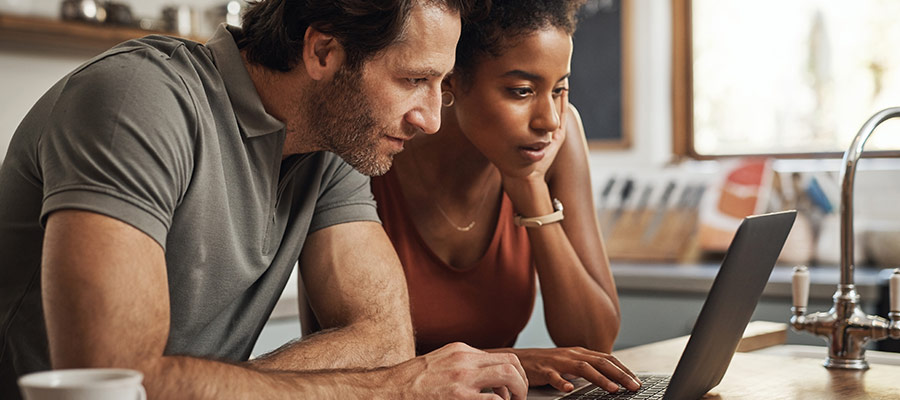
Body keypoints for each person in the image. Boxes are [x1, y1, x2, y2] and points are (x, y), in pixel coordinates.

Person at [0, 0, 530, 398]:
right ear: (322, 52)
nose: (431, 119)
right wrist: (390, 388)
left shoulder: (332, 145)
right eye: (414, 79)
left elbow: (385, 341)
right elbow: (113, 383)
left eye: (442, 84)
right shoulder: (138, 99)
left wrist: (198, 387)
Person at [369, 0, 641, 394]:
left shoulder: (558, 140)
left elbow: (594, 341)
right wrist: (513, 361)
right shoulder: (373, 152)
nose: (549, 120)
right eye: (521, 91)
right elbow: (351, 365)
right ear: (450, 80)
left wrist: (530, 188)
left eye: (560, 89)